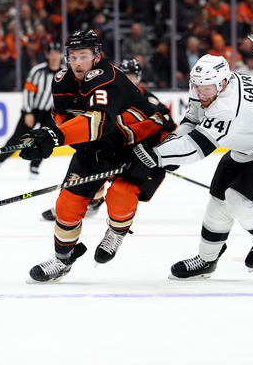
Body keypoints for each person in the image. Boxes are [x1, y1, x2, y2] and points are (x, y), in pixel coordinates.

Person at [130, 54, 253, 279]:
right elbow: (192, 121)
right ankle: (206, 260)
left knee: (240, 204)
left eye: (207, 89)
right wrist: (168, 148)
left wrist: (156, 156)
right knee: (217, 202)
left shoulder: (228, 105)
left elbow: (197, 148)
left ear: (223, 84)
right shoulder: (206, 85)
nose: (201, 93)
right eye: (197, 87)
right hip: (249, 143)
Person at [18, 30, 172, 283]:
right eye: (73, 56)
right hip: (99, 146)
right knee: (67, 205)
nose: (77, 62)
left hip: (140, 146)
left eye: (84, 56)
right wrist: (46, 136)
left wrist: (56, 137)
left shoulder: (106, 77)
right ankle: (62, 260)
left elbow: (99, 121)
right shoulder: (62, 79)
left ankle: (116, 232)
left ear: (97, 56)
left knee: (121, 196)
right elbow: (62, 116)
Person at [39, 58, 177, 222]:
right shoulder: (107, 93)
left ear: (139, 78)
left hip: (132, 149)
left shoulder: (147, 100)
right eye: (126, 75)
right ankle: (87, 202)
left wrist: (164, 153)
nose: (130, 79)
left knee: (117, 181)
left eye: (133, 76)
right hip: (108, 147)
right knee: (93, 165)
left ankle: (96, 204)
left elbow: (169, 127)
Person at [0, 42, 63, 176]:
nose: (54, 56)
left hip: (50, 112)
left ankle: (35, 166)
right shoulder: (38, 71)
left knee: (46, 139)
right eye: (51, 53)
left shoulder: (65, 73)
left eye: (57, 53)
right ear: (47, 55)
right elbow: (28, 92)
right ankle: (0, 159)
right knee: (18, 138)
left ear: (61, 56)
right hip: (33, 110)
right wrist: (28, 112)